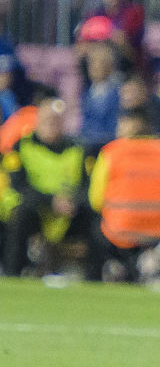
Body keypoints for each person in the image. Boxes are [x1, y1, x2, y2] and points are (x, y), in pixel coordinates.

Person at [87, 109, 160, 282]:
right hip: (158, 230)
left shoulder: (112, 152)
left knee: (91, 226)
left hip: (118, 229)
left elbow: (96, 199)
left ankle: (102, 273)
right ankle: (138, 264)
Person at [2, 97, 95, 277]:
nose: (52, 124)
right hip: (35, 207)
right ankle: (13, 274)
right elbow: (18, 185)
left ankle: (94, 278)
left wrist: (72, 201)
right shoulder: (20, 146)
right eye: (48, 120)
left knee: (95, 221)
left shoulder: (79, 149)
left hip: (69, 210)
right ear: (37, 120)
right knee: (20, 216)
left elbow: (88, 186)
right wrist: (51, 201)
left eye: (57, 120)